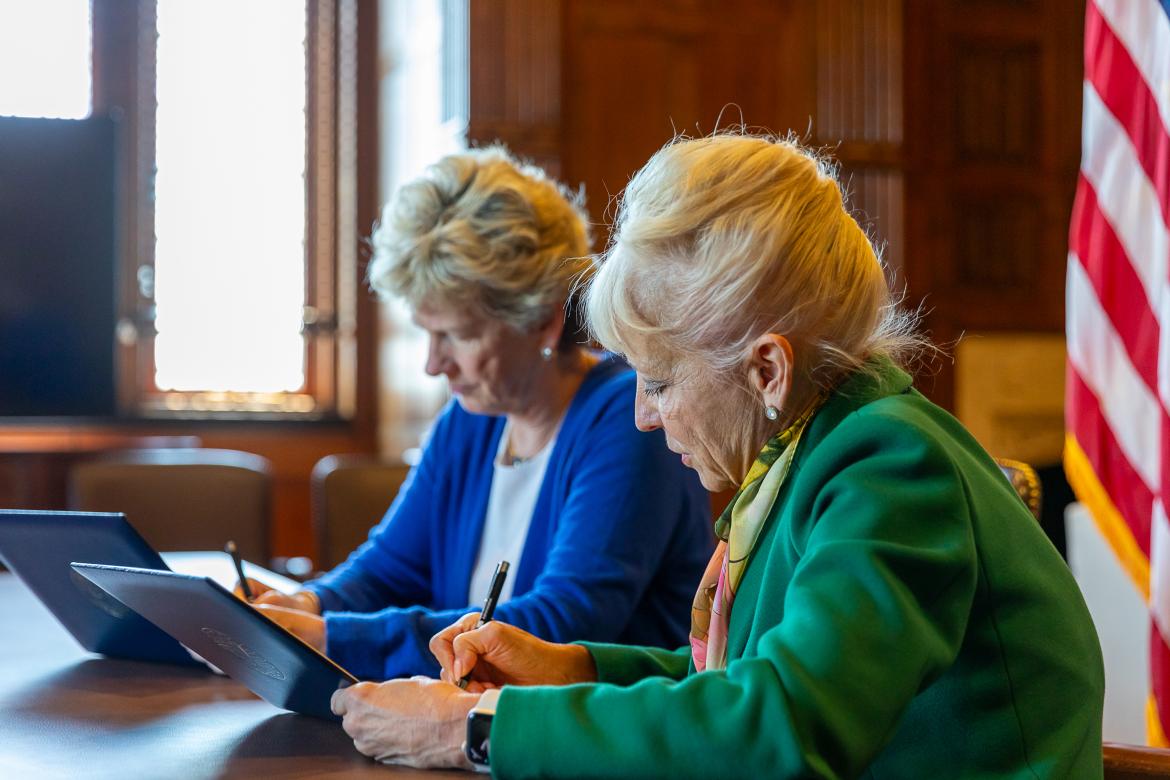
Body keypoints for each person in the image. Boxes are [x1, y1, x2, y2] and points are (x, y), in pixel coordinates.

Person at [327, 133, 1106, 776]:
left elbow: (779, 727)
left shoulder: (891, 468)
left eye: (660, 380)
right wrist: (573, 668)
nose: (641, 415)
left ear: (767, 370)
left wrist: (472, 728)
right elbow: (737, 681)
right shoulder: (813, 451)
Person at [243, 145, 712, 680]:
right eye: (427, 333)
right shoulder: (471, 417)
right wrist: (304, 604)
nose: (433, 364)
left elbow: (558, 626)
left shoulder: (630, 421)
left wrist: (330, 637)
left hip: (600, 728)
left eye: (458, 335)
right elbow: (388, 569)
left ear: (543, 321)